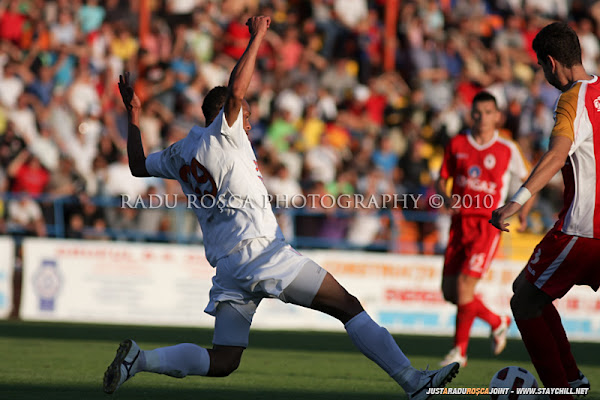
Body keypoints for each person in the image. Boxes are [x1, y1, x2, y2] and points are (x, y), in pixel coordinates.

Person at [103, 16, 459, 399]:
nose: (250, 122)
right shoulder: (226, 134)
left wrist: (134, 115)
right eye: (248, 115)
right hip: (263, 252)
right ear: (226, 115)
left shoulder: (178, 153)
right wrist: (257, 37)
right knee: (348, 305)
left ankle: (140, 361)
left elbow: (138, 166)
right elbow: (237, 93)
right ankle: (413, 382)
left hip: (228, 266)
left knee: (224, 360)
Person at [490, 22, 595, 398]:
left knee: (525, 300)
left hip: (584, 229)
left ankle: (561, 389)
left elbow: (556, 153)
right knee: (527, 289)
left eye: (540, 66)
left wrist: (517, 200)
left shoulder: (572, 99)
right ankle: (573, 381)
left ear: (551, 63)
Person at [436, 91, 532, 367]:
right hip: (459, 224)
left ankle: (459, 352)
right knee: (450, 292)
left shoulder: (507, 148)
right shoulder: (456, 143)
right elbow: (442, 180)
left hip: (488, 224)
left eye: (488, 113)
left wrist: (522, 213)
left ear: (497, 116)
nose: (482, 118)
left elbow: (529, 184)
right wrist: (445, 197)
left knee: (466, 286)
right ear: (471, 115)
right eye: (477, 113)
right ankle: (496, 320)